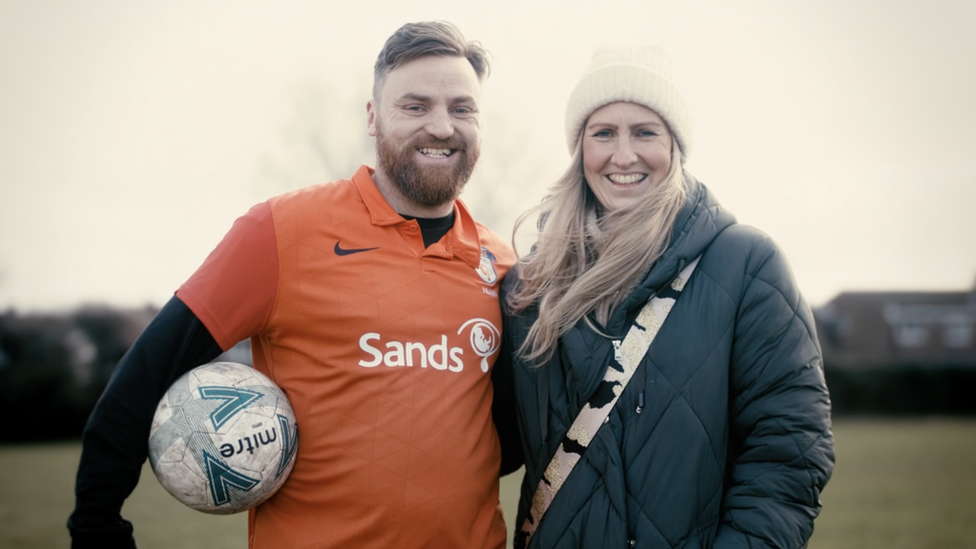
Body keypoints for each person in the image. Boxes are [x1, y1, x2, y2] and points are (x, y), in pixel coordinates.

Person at [68, 21, 519, 549]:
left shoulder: (504, 266)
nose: (442, 126)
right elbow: (145, 376)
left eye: (462, 108)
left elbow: (506, 440)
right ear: (373, 119)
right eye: (415, 106)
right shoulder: (280, 233)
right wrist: (97, 527)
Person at [497, 46, 835, 548]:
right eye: (604, 132)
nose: (624, 155)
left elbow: (789, 453)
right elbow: (486, 444)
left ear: (675, 145)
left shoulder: (745, 265)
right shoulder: (530, 286)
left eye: (645, 132)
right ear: (580, 148)